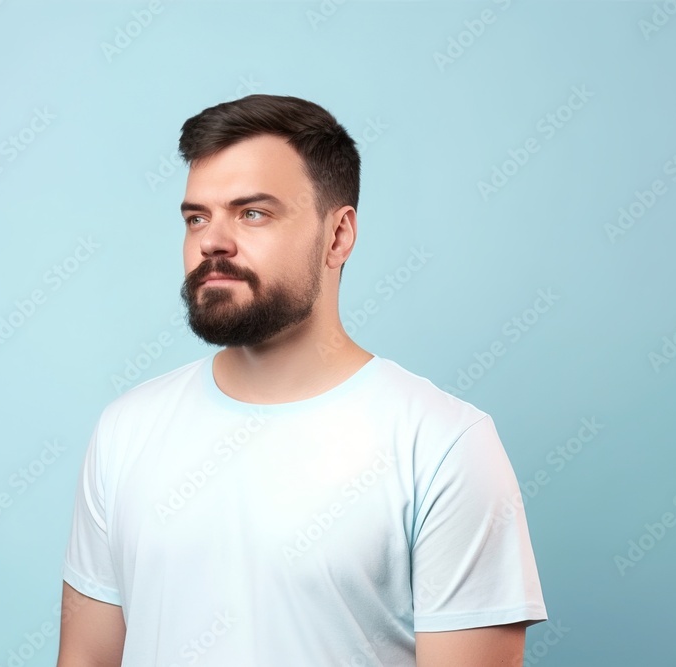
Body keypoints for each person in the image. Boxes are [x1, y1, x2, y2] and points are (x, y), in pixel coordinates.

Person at [56, 94, 547, 667]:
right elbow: (86, 659)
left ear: (337, 237)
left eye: (253, 213)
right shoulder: (126, 430)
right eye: (197, 217)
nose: (212, 241)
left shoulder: (443, 445)